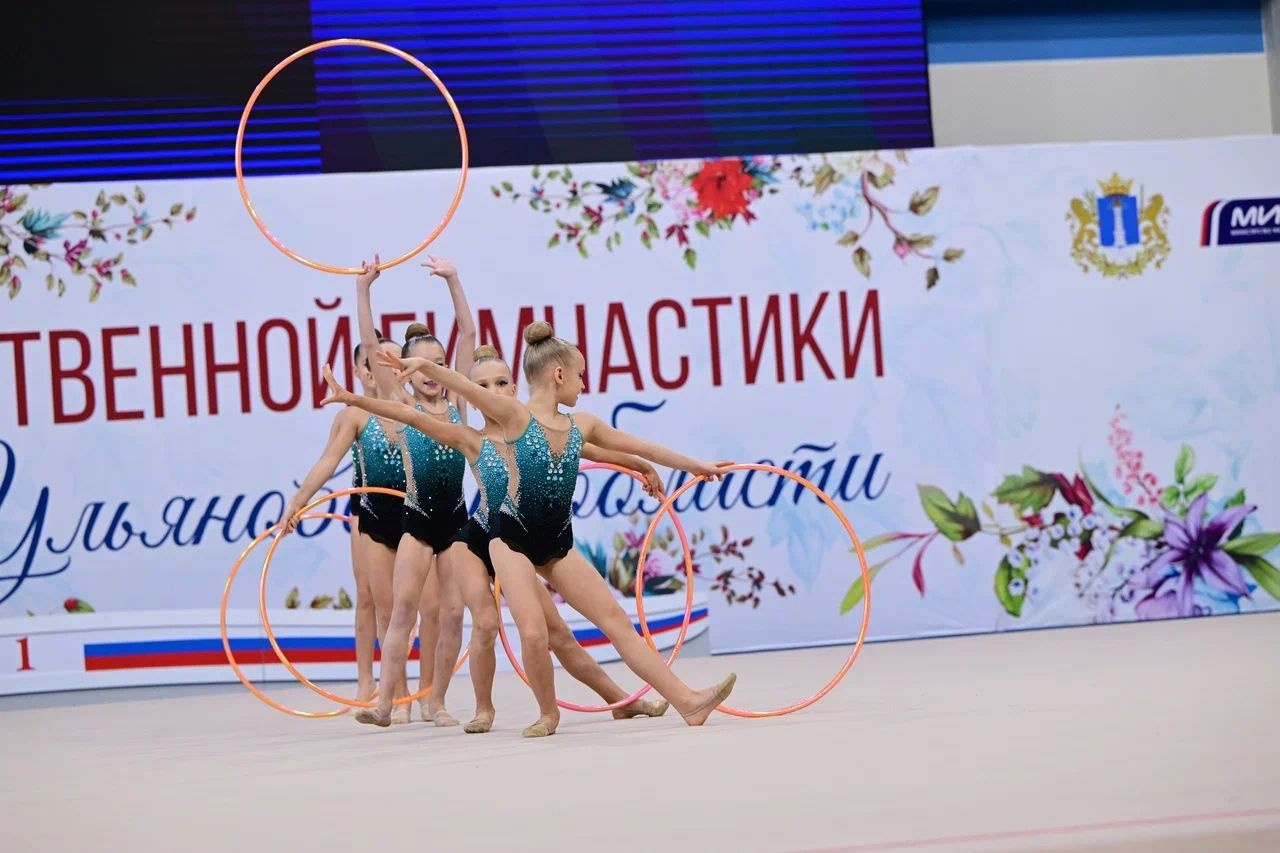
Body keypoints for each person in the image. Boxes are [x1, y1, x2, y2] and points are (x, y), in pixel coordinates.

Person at [379, 322, 737, 737]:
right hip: (510, 539)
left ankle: (688, 701)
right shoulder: (514, 416)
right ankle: (546, 713)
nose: (584, 383)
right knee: (533, 632)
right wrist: (424, 366)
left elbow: (640, 445)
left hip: (556, 543)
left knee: (617, 623)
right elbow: (461, 389)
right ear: (559, 374)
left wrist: (695, 466)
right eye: (581, 374)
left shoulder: (581, 424)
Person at [320, 346, 672, 734]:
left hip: (513, 542)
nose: (494, 391)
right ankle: (481, 709)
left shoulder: (533, 433)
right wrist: (353, 399)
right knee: (486, 624)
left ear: (514, 388)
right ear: (473, 395)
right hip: (478, 541)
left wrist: (640, 465)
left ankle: (621, 701)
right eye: (483, 386)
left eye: (501, 383)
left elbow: (592, 448)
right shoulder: (471, 438)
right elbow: (408, 415)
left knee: (560, 636)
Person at [353, 253, 475, 727]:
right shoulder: (401, 405)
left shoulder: (460, 401)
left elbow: (468, 334)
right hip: (418, 521)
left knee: (452, 613)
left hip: (457, 522)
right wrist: (364, 288)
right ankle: (385, 704)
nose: (431, 371)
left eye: (439, 363)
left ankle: (435, 701)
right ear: (403, 369)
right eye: (421, 364)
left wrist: (453, 280)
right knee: (403, 612)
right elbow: (369, 344)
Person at [282, 335, 404, 722]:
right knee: (370, 597)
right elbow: (327, 461)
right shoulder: (354, 414)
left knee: (412, 604)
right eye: (373, 365)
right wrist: (299, 499)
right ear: (360, 372)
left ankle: (414, 690)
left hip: (413, 512)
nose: (380, 372)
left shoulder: (411, 410)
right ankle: (368, 680)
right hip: (367, 512)